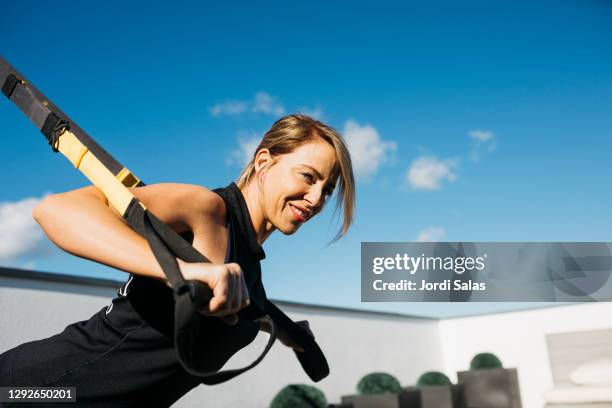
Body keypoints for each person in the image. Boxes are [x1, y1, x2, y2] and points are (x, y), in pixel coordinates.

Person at [0, 114, 356, 406]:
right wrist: (181, 272)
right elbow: (56, 211)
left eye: (327, 189)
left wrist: (294, 335)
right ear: (264, 161)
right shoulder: (206, 209)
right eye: (308, 177)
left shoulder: (249, 270)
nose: (315, 199)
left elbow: (255, 311)